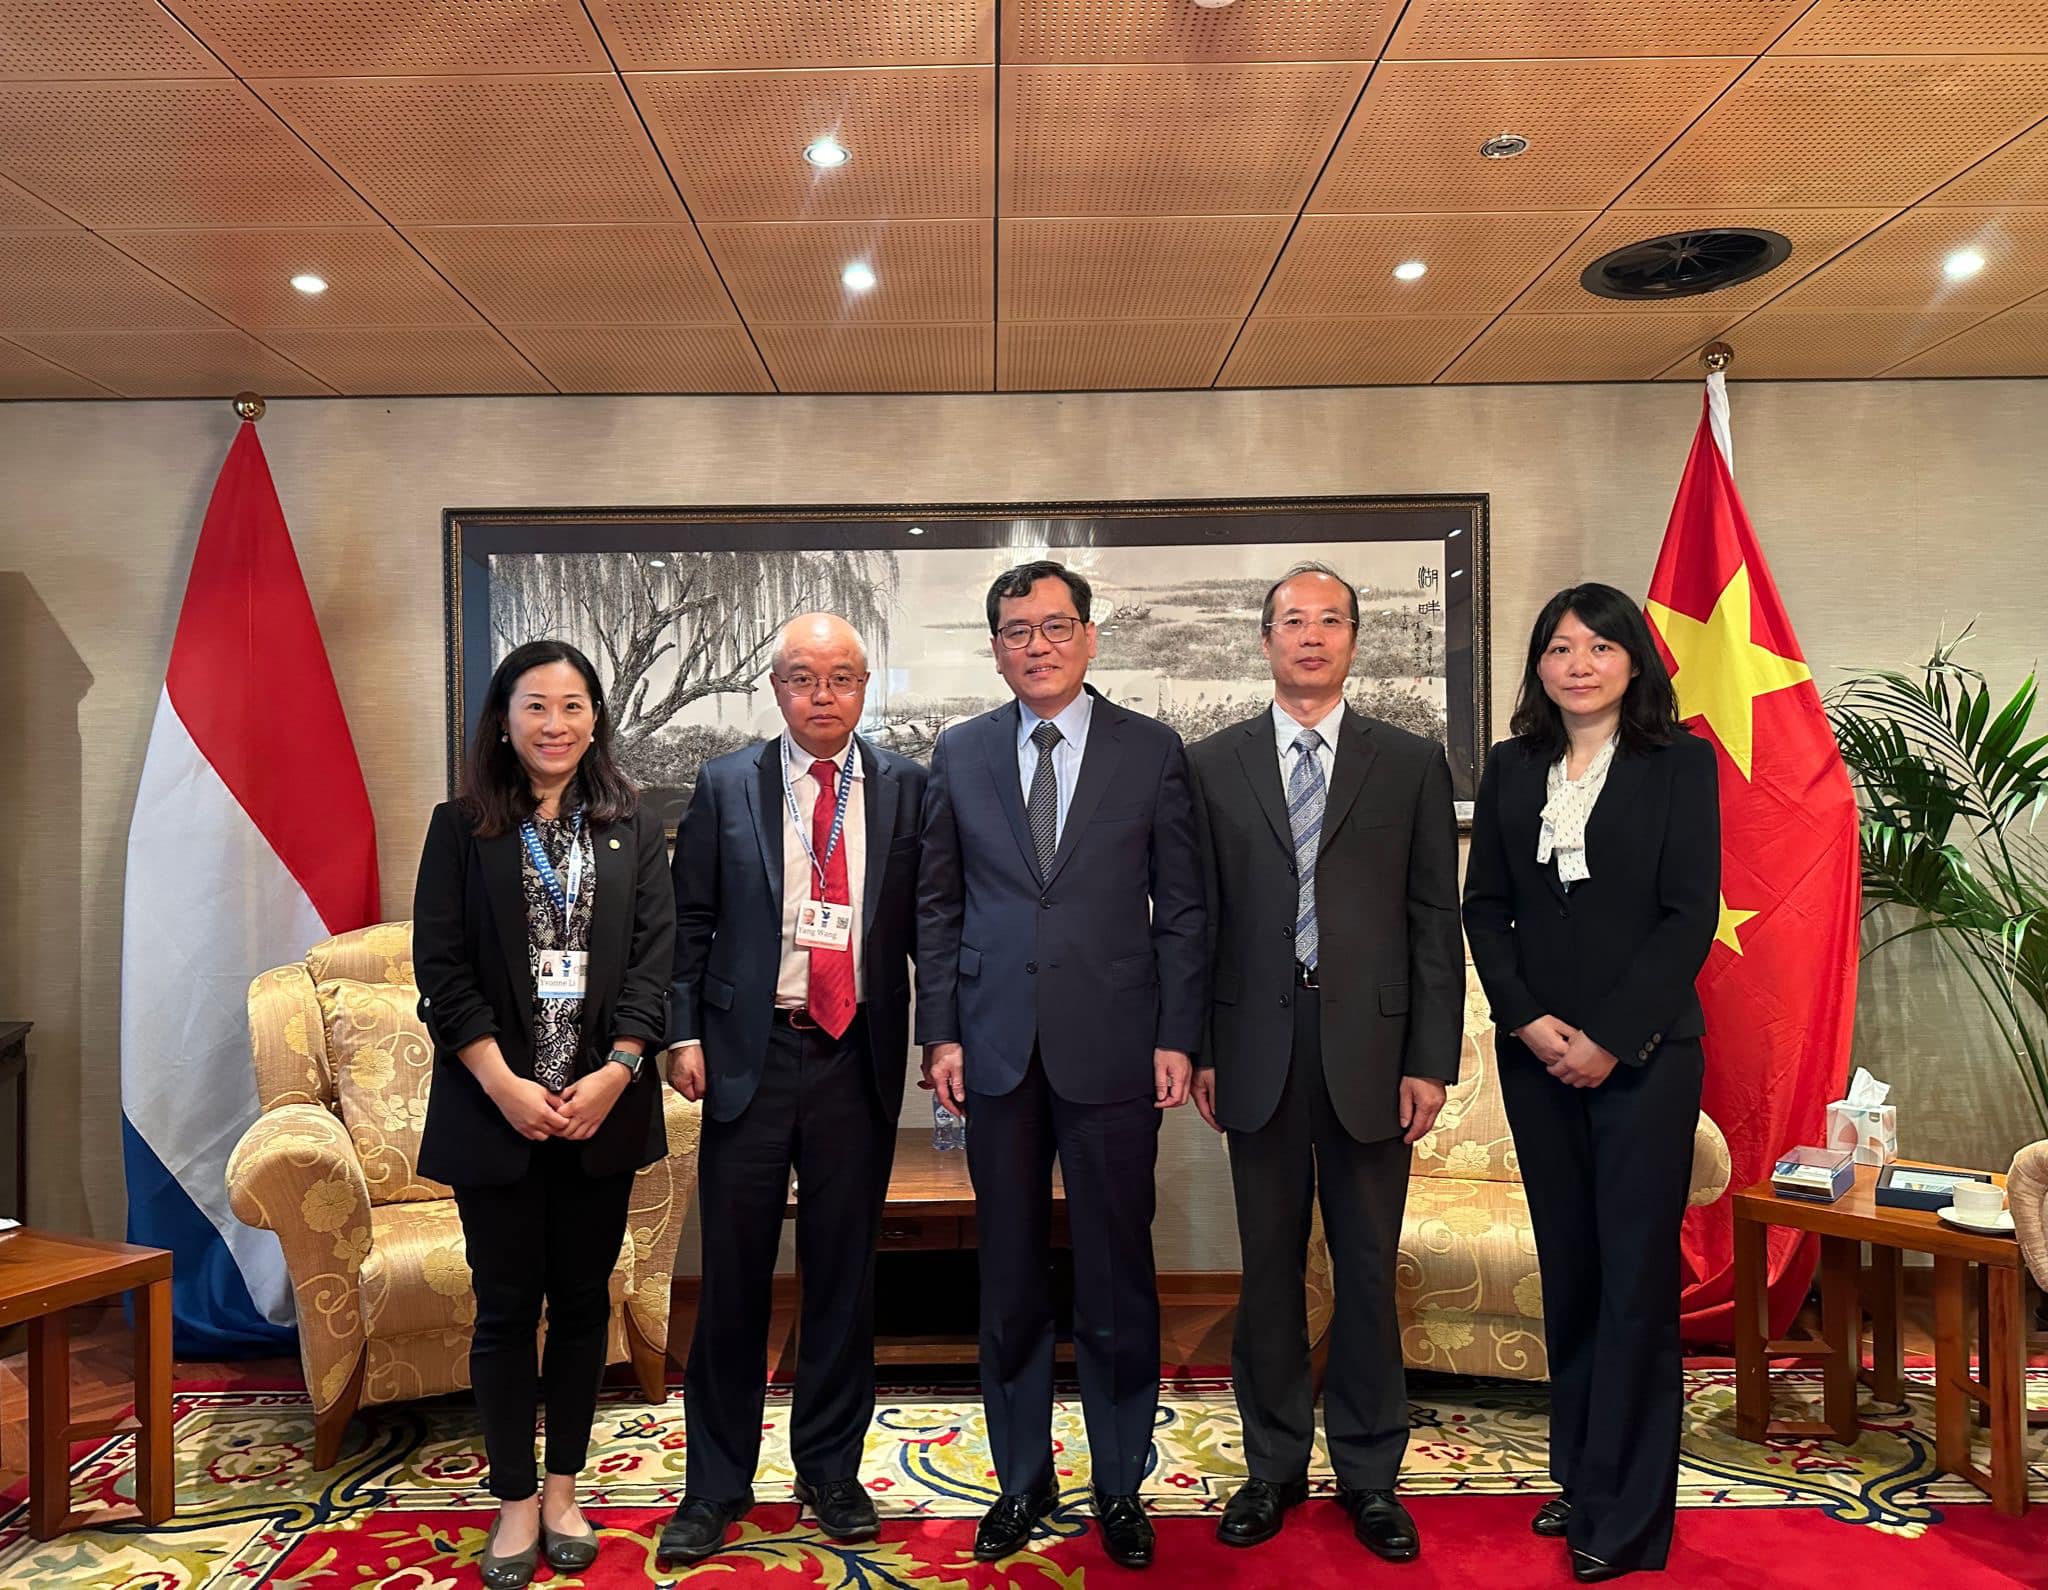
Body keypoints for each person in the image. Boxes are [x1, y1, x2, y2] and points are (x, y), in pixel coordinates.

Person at [916, 560, 1206, 1571]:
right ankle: (1018, 1481)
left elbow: (1181, 909)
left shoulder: (1152, 752)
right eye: (1012, 631)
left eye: (1051, 627)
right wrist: (939, 1031)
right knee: (1006, 1275)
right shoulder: (959, 753)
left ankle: (1119, 1484)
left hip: (1116, 1047)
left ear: (1088, 636)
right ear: (993, 647)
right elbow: (938, 906)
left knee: (1118, 1276)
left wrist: (1178, 1036)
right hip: (992, 1050)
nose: (1033, 646)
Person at [1186, 563, 1462, 1564]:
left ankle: (1368, 1474)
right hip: (1253, 1049)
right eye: (1290, 622)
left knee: (1364, 1270)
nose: (1309, 636)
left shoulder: (1407, 762)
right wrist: (1205, 1048)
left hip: (1373, 1052)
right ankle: (1270, 1469)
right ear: (1263, 641)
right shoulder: (1210, 764)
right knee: (1265, 1272)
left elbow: (1435, 921)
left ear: (1354, 639)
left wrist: (1430, 1058)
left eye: (1328, 621)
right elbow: (1198, 921)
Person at [1461, 583, 1719, 1584]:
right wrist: (1527, 1023)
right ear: (1537, 666)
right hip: (1537, 1061)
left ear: (1632, 662)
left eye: (1598, 647)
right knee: (1569, 1272)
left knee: (1633, 1286)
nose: (1577, 664)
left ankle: (1628, 1515)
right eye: (1559, 648)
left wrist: (1608, 1040)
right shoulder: (1512, 765)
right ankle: (1580, 1469)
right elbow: (1485, 909)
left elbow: (1686, 916)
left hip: (1643, 1064)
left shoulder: (1677, 764)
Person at [655, 614, 927, 1564]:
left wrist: (944, 1041)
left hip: (855, 1052)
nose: (823, 696)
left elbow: (927, 929)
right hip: (747, 1053)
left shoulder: (906, 788)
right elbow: (688, 922)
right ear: (776, 689)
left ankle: (830, 1469)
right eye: (804, 678)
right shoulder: (727, 782)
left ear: (864, 689)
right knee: (732, 1279)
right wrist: (679, 1032)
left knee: (844, 1275)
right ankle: (715, 1485)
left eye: (842, 679)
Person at [413, 639, 676, 1590]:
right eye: (536, 706)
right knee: (503, 1311)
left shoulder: (633, 828)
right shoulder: (460, 829)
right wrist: (502, 1083)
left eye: (572, 706)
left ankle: (565, 1490)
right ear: (504, 718)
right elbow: (440, 973)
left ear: (595, 718)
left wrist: (617, 1070)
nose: (555, 724)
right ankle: (516, 1502)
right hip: (501, 1116)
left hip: (602, 1111)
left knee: (580, 1309)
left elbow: (654, 965)